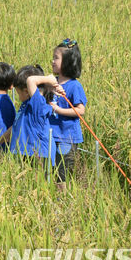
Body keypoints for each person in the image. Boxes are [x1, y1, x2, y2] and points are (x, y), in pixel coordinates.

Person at [6, 65, 65, 171]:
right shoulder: (27, 105)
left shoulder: (38, 105)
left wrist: (49, 80)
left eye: (18, 93)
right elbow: (16, 126)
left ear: (26, 91)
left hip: (38, 156)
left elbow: (30, 80)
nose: (18, 97)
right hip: (25, 153)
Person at [49, 38, 87, 191]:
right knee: (49, 171)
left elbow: (80, 110)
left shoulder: (74, 86)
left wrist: (57, 109)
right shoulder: (51, 82)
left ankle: (62, 201)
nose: (52, 61)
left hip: (67, 137)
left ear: (67, 62)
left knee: (61, 174)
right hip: (51, 135)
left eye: (56, 58)